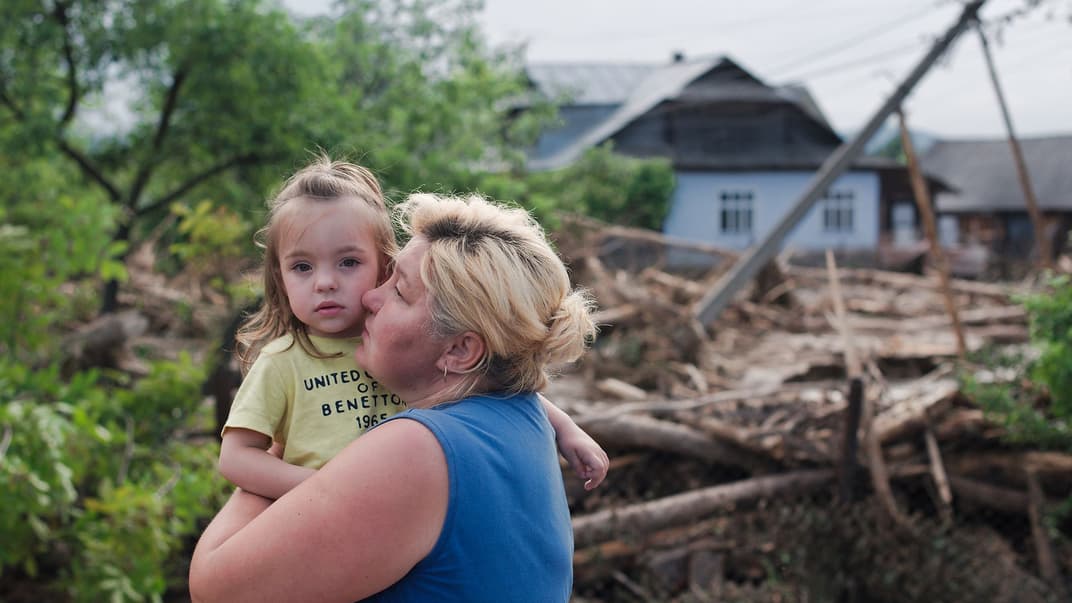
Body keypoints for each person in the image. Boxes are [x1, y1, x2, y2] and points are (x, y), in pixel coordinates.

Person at [190, 192, 599, 602]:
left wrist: (281, 447)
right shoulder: (521, 415)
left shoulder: (417, 449)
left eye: (399, 291)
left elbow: (216, 591)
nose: (370, 297)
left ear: (460, 351)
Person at [218, 157, 607, 501]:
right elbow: (236, 457)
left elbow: (489, 382)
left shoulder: (404, 349)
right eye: (302, 267)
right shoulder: (282, 361)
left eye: (348, 263)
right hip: (320, 519)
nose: (324, 282)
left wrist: (565, 428)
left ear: (384, 265)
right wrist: (319, 490)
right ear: (279, 277)